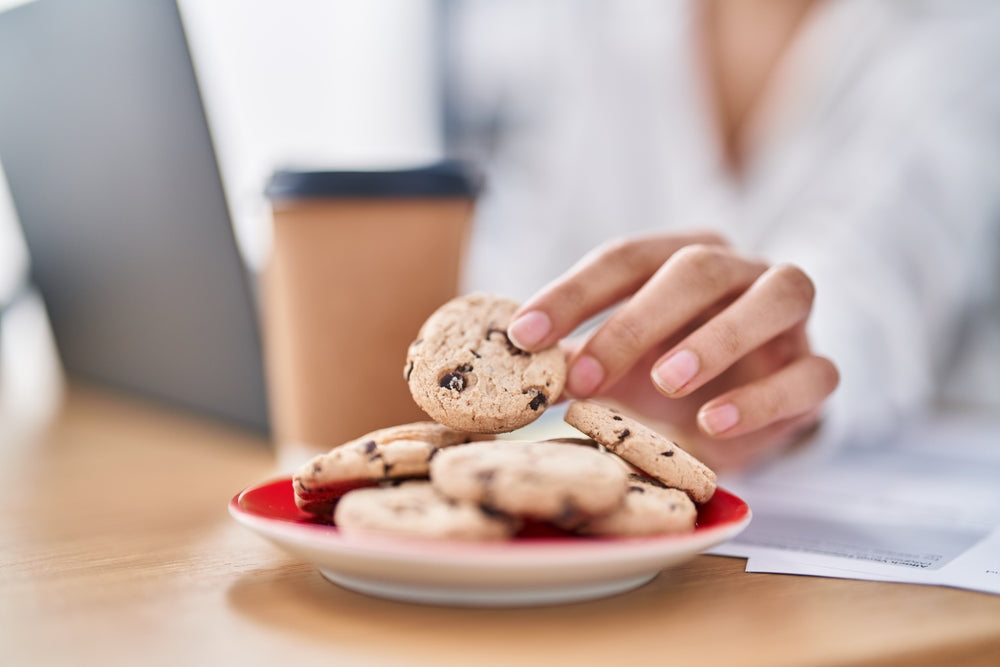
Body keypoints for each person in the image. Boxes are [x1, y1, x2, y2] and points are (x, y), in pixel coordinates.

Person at [447, 0, 1000, 471]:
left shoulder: (964, 31)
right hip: (574, 463)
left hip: (868, 486)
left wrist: (775, 371)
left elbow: (884, 285)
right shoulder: (579, 21)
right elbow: (521, 265)